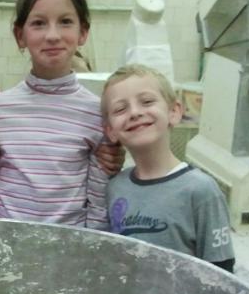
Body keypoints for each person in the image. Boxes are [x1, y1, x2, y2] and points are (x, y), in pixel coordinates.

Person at [0, 0, 109, 229]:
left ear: (83, 32)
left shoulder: (96, 112)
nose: (52, 35)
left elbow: (98, 203)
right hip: (7, 243)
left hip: (67, 247)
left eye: (65, 22)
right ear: (20, 35)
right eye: (38, 23)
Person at [101, 64, 235, 272]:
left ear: (174, 111)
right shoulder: (114, 188)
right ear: (110, 130)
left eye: (147, 101)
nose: (135, 113)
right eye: (120, 109)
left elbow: (221, 270)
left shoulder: (201, 191)